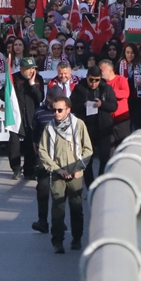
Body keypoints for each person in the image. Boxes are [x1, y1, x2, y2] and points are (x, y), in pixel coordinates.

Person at [38, 95, 92, 254]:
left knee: (76, 207)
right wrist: (56, 169)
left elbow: (88, 149)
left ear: (68, 110)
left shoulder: (78, 125)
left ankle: (77, 238)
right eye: (54, 110)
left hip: (75, 174)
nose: (56, 113)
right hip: (57, 174)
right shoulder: (49, 128)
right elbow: (43, 151)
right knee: (57, 208)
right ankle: (57, 241)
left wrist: (77, 168)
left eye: (60, 110)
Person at [71, 66, 116, 185]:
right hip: (86, 128)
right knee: (87, 159)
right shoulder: (79, 88)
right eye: (91, 80)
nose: (93, 83)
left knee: (105, 157)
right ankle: (90, 184)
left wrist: (102, 104)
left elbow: (114, 106)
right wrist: (83, 105)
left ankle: (101, 182)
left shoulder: (107, 88)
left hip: (103, 128)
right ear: (87, 77)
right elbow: (71, 106)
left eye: (97, 80)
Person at [12, 57, 46, 180]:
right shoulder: (14, 78)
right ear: (22, 69)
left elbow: (40, 98)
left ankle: (29, 171)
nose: (32, 71)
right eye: (29, 69)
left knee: (30, 145)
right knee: (14, 145)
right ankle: (16, 168)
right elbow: (2, 94)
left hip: (32, 115)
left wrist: (32, 84)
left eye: (33, 68)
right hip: (16, 116)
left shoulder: (38, 79)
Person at [98, 59, 131, 146]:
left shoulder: (121, 79)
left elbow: (125, 93)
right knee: (109, 147)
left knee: (123, 146)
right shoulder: (101, 83)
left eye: (101, 70)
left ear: (110, 70)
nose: (100, 72)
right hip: (107, 120)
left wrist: (110, 92)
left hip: (121, 120)